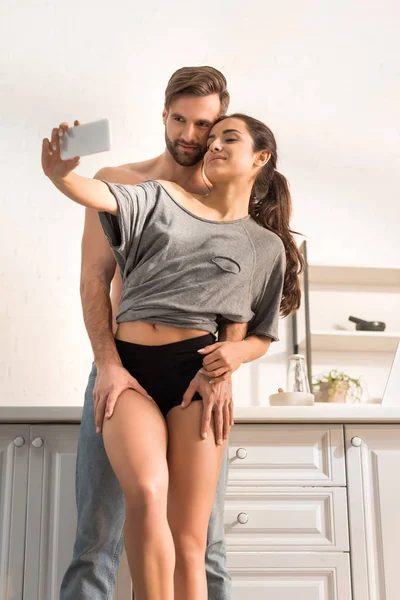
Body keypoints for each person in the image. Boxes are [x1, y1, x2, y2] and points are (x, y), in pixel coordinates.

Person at [42, 108, 303, 599]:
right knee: (144, 494)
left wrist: (236, 358)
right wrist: (63, 175)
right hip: (130, 371)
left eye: (229, 138)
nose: (214, 145)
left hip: (195, 377)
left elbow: (257, 333)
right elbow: (100, 194)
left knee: (192, 538)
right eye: (214, 138)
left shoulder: (263, 246)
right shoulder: (160, 197)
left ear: (260, 158)